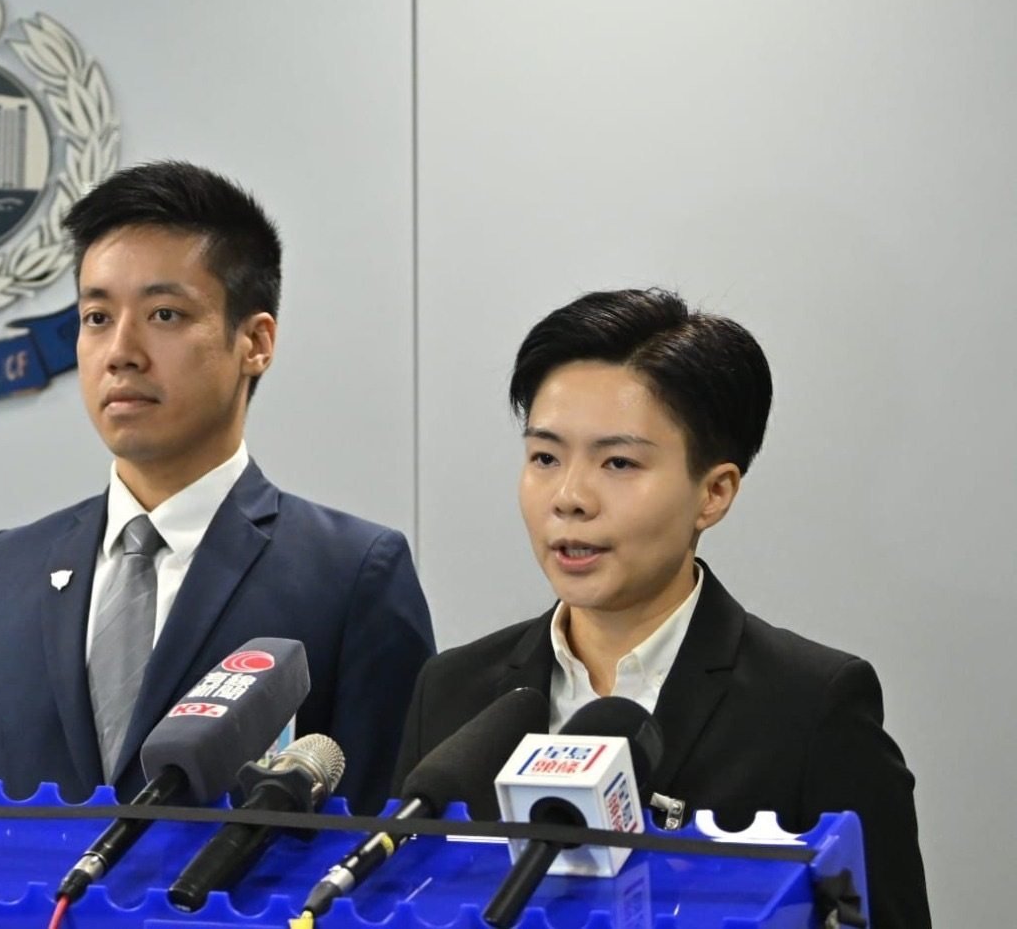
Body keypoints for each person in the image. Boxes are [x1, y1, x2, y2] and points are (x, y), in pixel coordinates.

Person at [393, 288, 929, 928]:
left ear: (714, 493)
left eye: (618, 462)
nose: (569, 497)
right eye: (544, 457)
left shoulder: (812, 708)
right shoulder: (453, 694)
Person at [0, 160, 435, 812]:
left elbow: (383, 851)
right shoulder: (1, 573)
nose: (121, 351)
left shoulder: (351, 576)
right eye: (97, 317)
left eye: (164, 314)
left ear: (256, 342)